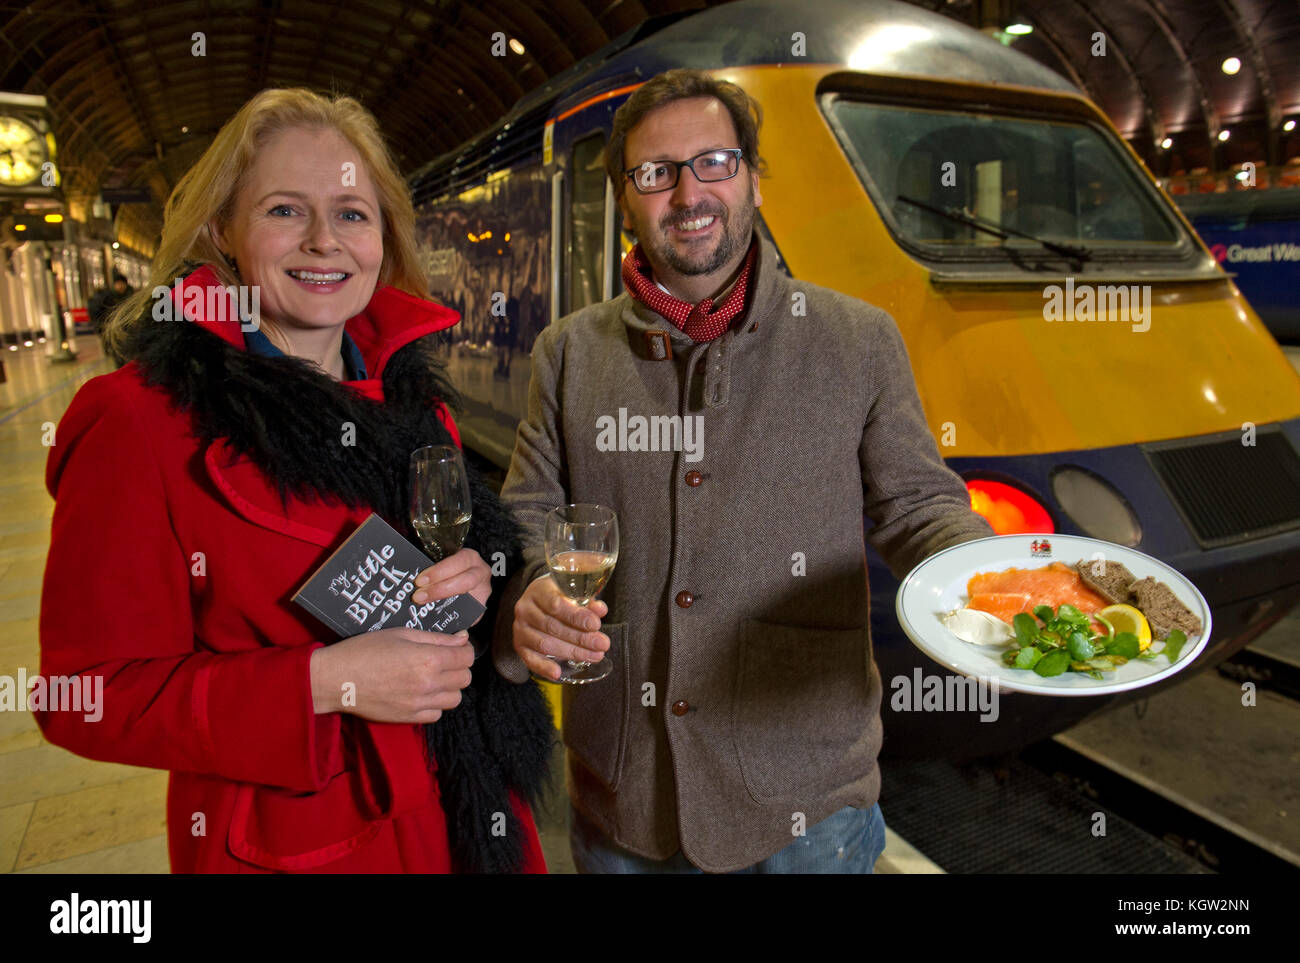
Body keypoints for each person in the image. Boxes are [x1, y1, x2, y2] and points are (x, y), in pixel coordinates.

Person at [37, 88, 553, 873]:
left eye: (352, 212)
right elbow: (85, 693)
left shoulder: (414, 403)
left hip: (468, 821)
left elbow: (441, 607)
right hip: (305, 849)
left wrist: (486, 597)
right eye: (284, 210)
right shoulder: (138, 421)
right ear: (222, 232)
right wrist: (323, 681)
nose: (324, 241)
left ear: (382, 236)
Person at [493, 69, 996, 874]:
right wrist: (527, 598)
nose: (688, 193)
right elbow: (523, 522)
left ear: (755, 181)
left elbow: (918, 505)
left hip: (805, 806)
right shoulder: (569, 354)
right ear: (626, 199)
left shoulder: (856, 339)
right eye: (655, 173)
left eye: (714, 163)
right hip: (626, 797)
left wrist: (990, 580)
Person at [87, 271, 132, 365]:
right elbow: (97, 312)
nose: (120, 286)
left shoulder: (131, 296)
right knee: (118, 356)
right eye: (118, 284)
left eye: (122, 283)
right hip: (112, 330)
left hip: (128, 331)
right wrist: (101, 327)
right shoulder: (107, 298)